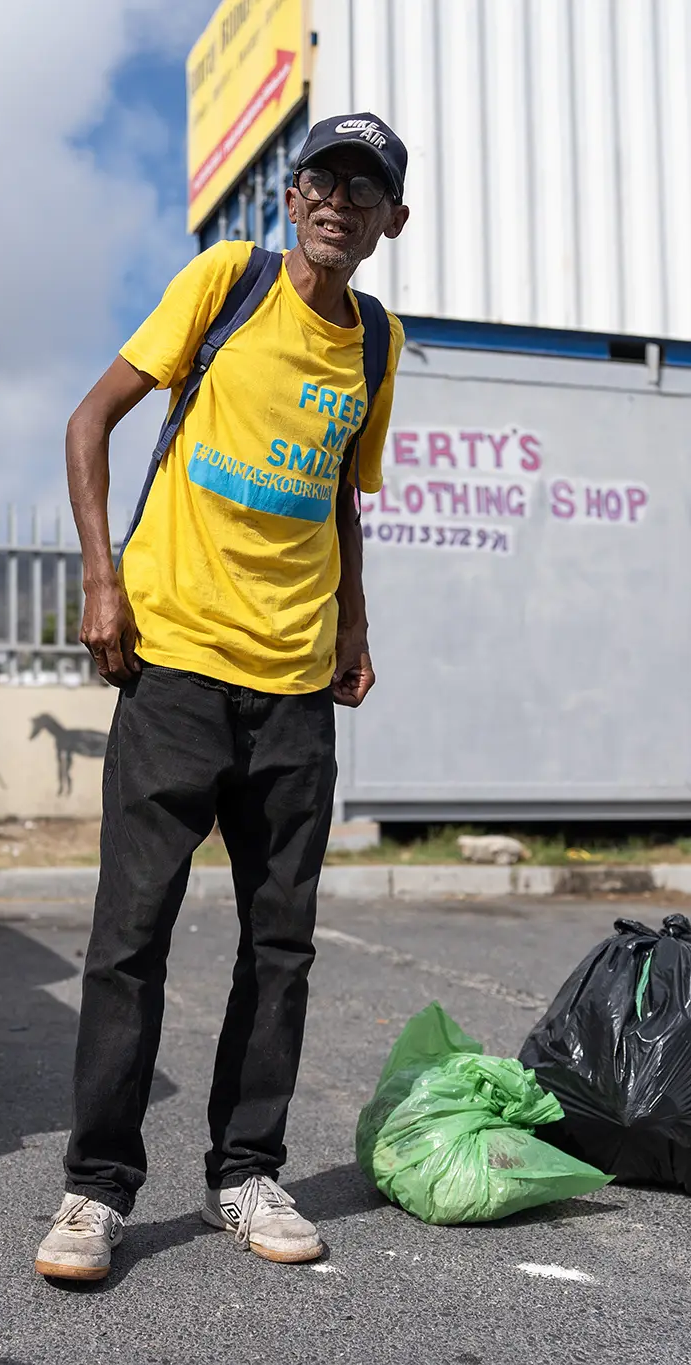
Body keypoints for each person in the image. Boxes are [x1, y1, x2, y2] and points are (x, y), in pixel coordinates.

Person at [36, 113, 411, 1281]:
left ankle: (243, 1172)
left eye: (366, 189)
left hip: (293, 684)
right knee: (128, 940)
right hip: (177, 664)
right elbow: (88, 420)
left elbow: (344, 497)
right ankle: (94, 1191)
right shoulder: (227, 281)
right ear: (291, 199)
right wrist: (103, 582)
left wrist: (351, 624)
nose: (339, 201)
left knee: (280, 944)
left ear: (392, 221)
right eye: (323, 180)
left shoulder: (378, 342)